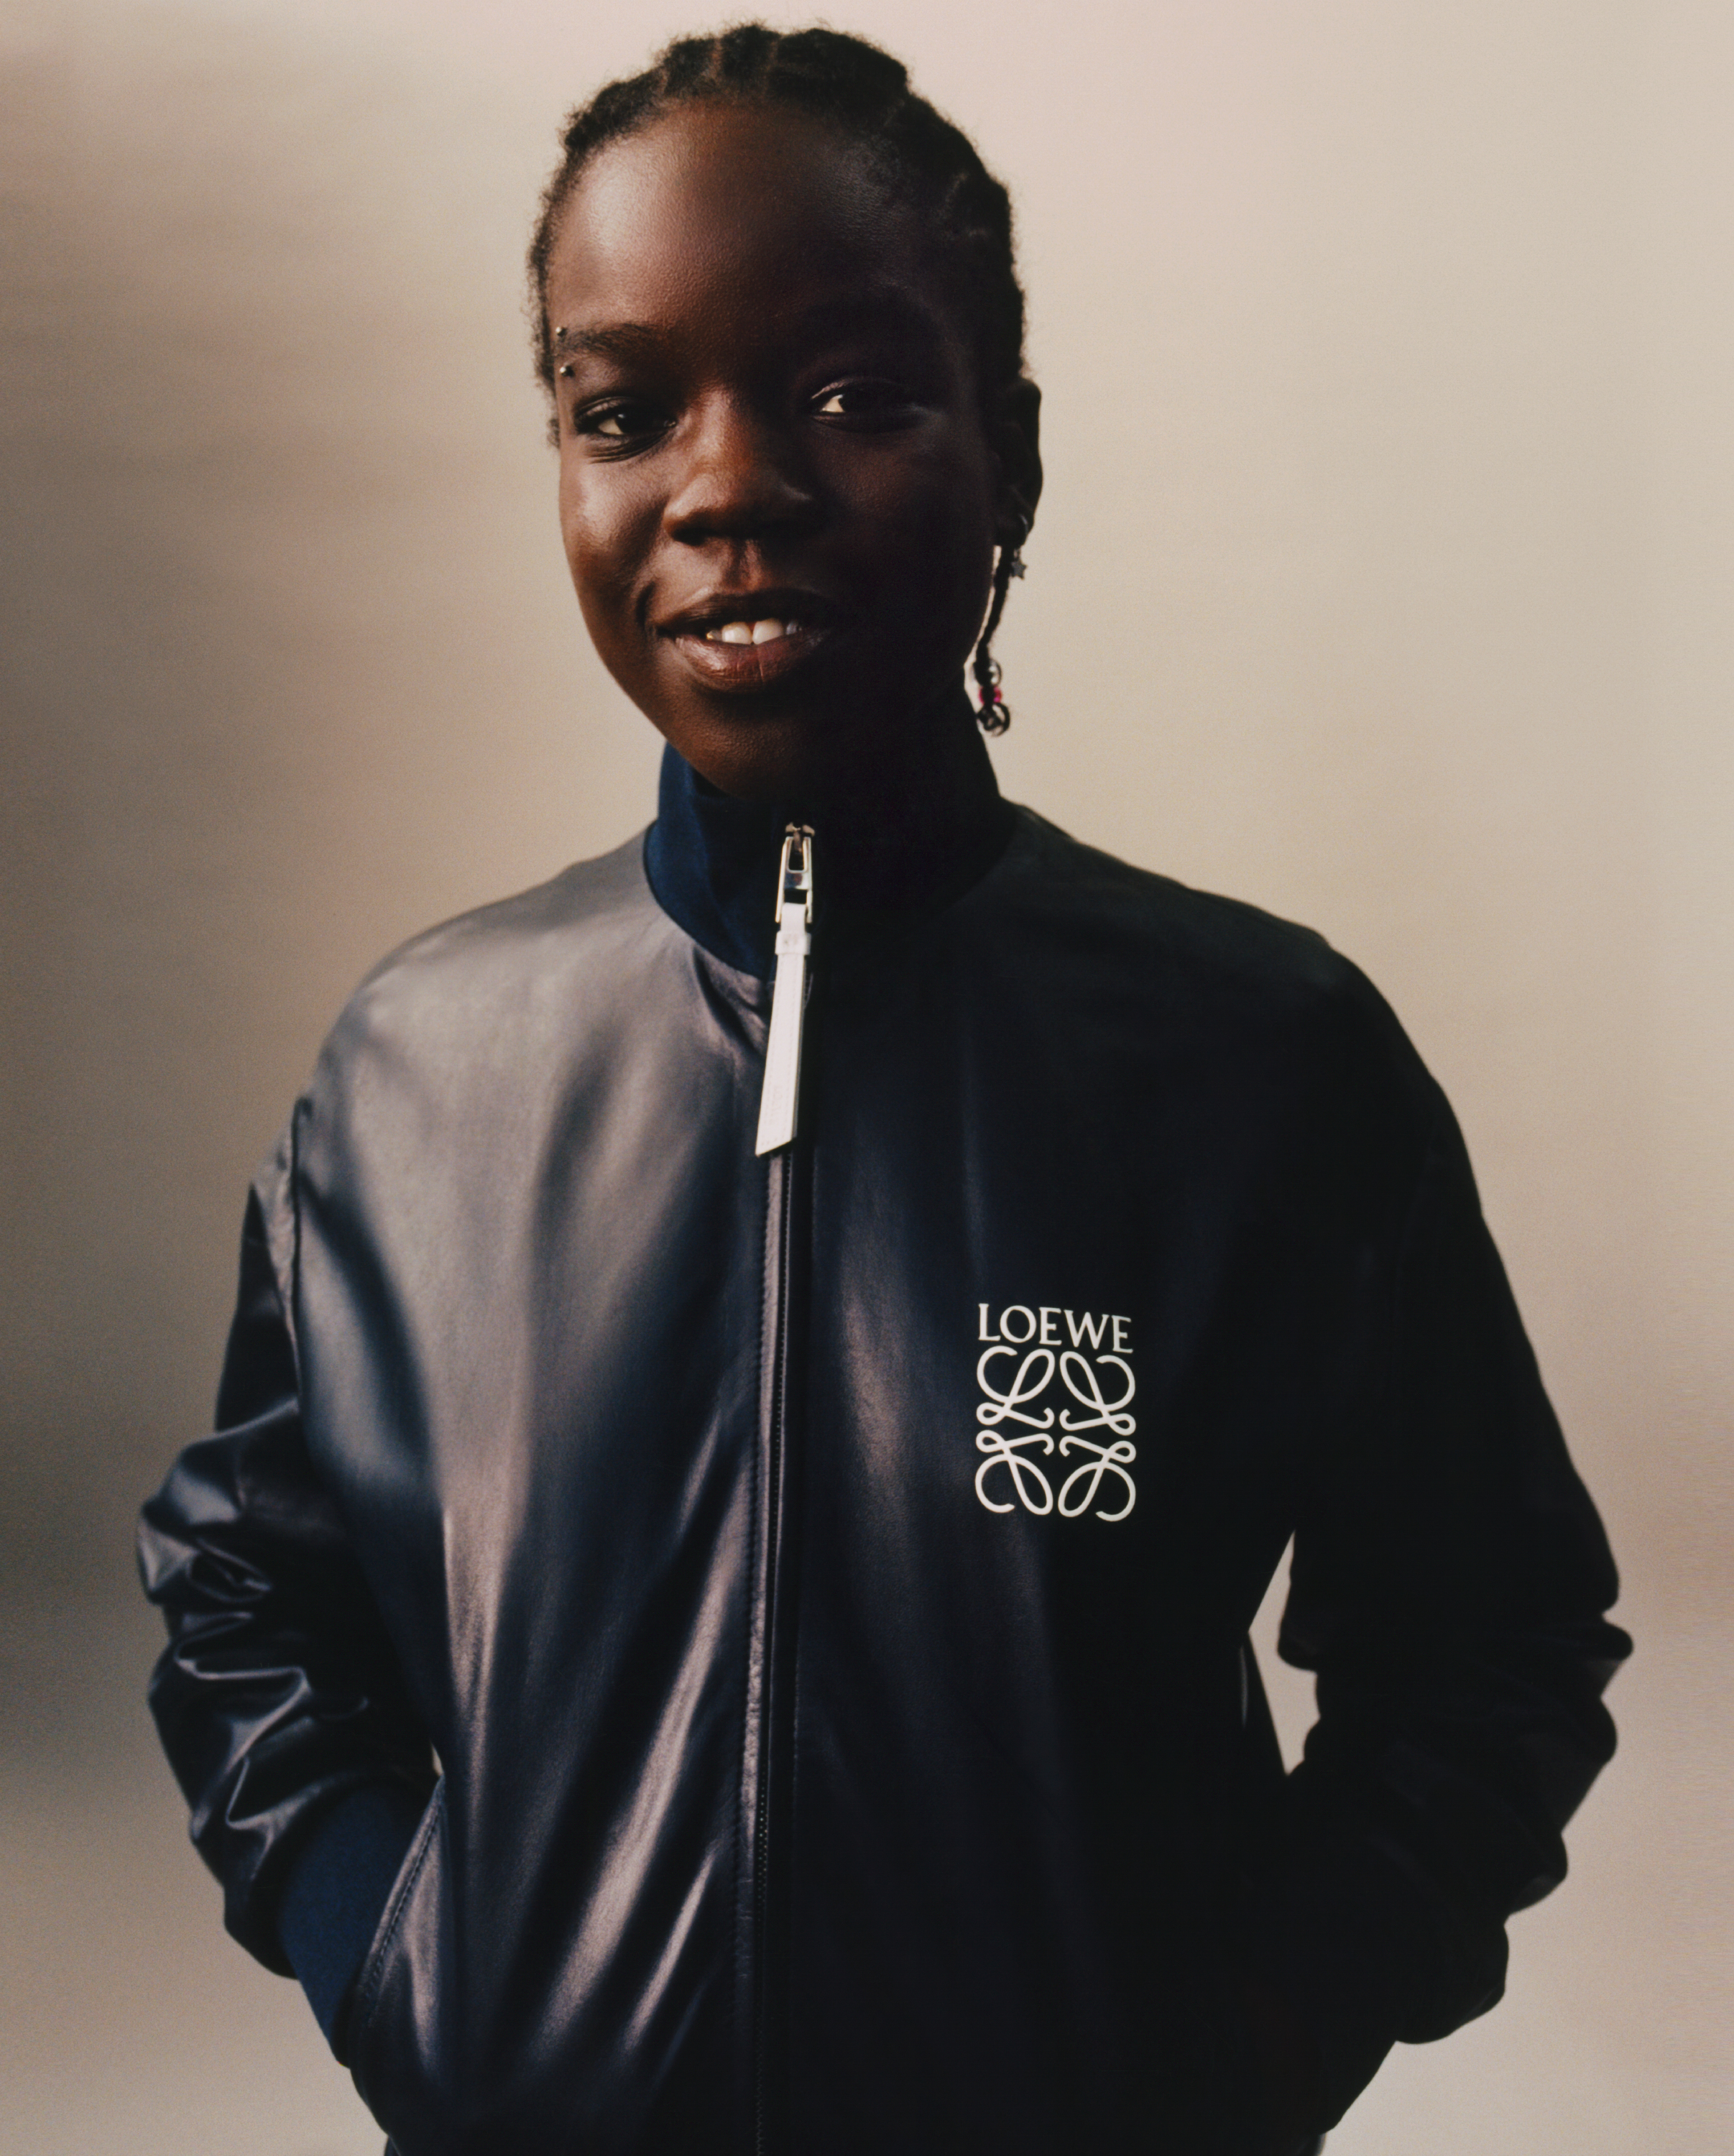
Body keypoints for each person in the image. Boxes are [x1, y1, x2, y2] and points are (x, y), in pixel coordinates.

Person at [137, 25, 1630, 2156]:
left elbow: (1490, 1644)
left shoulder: (1259, 1067)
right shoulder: (414, 1078)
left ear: (1009, 453)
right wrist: (402, 1970)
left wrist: (1251, 2045)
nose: (727, 487)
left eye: (852, 396)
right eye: (625, 411)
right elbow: (247, 1601)